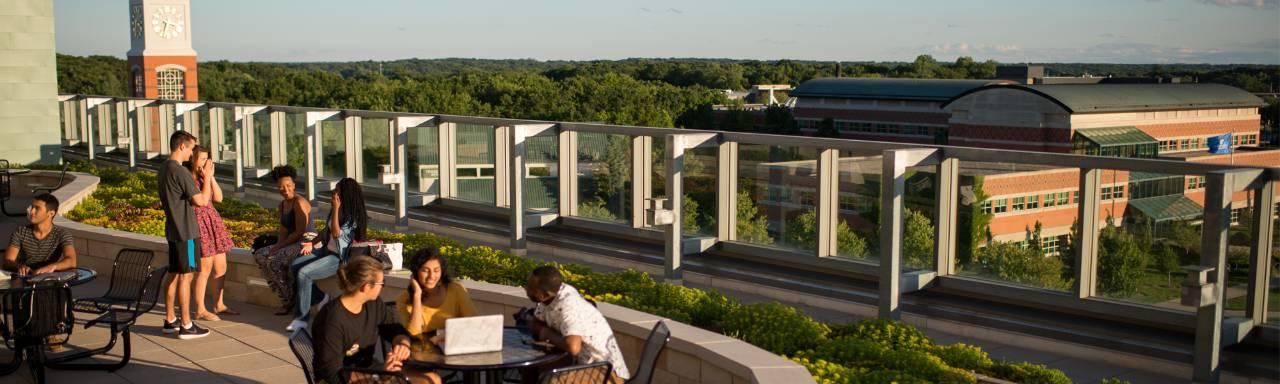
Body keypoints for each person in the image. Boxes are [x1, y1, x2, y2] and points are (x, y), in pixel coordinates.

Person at [312, 256, 412, 384]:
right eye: (382, 283)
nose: (383, 286)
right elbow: (333, 375)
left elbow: (394, 328)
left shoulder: (373, 304)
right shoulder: (331, 320)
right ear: (366, 287)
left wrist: (402, 344)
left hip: (369, 369)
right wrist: (381, 376)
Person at [287, 177, 367, 332]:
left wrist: (336, 209)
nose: (334, 193)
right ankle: (321, 297)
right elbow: (327, 231)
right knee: (296, 265)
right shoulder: (336, 209)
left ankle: (301, 319)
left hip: (338, 258)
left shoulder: (352, 217)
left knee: (304, 274)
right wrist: (312, 243)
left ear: (345, 193)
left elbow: (337, 234)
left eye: (337, 190)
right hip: (326, 251)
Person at [524, 266, 629, 382]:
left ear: (544, 294)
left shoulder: (569, 306)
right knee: (530, 368)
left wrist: (547, 333)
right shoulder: (549, 299)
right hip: (578, 363)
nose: (526, 289)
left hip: (605, 370)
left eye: (531, 288)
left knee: (553, 381)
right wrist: (542, 330)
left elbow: (573, 347)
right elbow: (536, 323)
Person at [158, 130, 212, 340]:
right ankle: (186, 325)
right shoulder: (179, 171)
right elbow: (201, 201)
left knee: (174, 273)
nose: (192, 153)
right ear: (181, 146)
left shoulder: (163, 168)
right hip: (186, 232)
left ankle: (170, 319)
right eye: (190, 148)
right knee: (185, 276)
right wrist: (207, 177)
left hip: (173, 230)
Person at [183, 145, 238, 322]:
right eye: (201, 158)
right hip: (199, 223)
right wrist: (206, 178)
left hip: (213, 221)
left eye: (207, 158)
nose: (204, 162)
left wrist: (210, 177)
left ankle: (219, 304)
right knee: (204, 269)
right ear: (192, 159)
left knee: (221, 267)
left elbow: (218, 198)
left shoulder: (204, 176)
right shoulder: (188, 178)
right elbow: (201, 200)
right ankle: (199, 308)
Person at [252, 164, 312, 316]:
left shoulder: (299, 203)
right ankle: (284, 296)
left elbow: (300, 232)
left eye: (288, 186)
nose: (285, 190)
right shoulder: (282, 205)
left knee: (273, 260)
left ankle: (290, 299)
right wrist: (277, 245)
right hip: (291, 242)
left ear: (294, 185)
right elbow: (284, 230)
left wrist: (278, 247)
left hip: (306, 242)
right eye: (281, 187)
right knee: (260, 255)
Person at [3, 194, 76, 275]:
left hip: (49, 278)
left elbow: (71, 260)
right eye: (32, 207)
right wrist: (19, 266)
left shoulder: (62, 234)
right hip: (25, 278)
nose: (31, 211)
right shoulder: (21, 231)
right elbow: (7, 261)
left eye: (37, 208)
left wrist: (52, 267)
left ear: (51, 213)